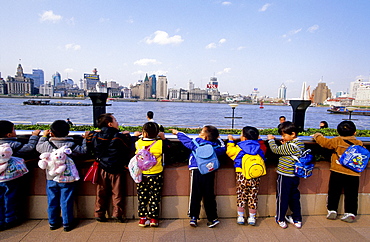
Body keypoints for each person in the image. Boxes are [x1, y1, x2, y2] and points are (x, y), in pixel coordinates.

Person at [36, 120, 87, 231]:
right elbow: (83, 151)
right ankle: (67, 223)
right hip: (67, 179)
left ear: (51, 133)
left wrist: (43, 136)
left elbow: (38, 147)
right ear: (68, 133)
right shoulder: (72, 145)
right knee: (66, 200)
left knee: (52, 200)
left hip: (51, 178)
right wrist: (84, 139)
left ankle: (53, 223)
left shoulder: (46, 145)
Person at [171, 126, 226, 228]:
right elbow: (223, 148)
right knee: (209, 195)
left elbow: (186, 140)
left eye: (201, 132)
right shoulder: (215, 146)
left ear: (204, 137)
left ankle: (193, 217)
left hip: (196, 170)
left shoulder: (196, 143)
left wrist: (177, 133)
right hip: (209, 171)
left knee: (195, 194)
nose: (199, 133)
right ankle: (212, 218)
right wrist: (219, 138)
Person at [313, 121, 363, 223]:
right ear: (355, 132)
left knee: (334, 192)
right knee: (352, 194)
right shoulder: (359, 143)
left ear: (338, 132)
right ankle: (350, 213)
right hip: (353, 173)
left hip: (337, 171)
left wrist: (317, 135)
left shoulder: (337, 140)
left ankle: (332, 210)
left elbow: (324, 142)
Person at [86, 113, 132, 223]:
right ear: (110, 124)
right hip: (117, 168)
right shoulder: (119, 137)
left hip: (101, 167)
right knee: (117, 193)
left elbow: (88, 146)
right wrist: (128, 136)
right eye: (115, 120)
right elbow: (127, 148)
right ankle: (118, 214)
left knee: (101, 192)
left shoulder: (95, 136)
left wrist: (90, 134)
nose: (117, 122)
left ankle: (99, 213)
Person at [0, 120, 40, 230]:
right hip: (10, 178)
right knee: (10, 197)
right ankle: (10, 219)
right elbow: (29, 148)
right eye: (14, 130)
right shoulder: (12, 144)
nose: (15, 132)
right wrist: (34, 137)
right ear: (9, 135)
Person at [267, 121, 304, 229]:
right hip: (295, 175)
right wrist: (286, 143)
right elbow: (289, 151)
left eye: (284, 135)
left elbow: (275, 150)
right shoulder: (300, 143)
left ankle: (280, 218)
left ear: (293, 134)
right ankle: (297, 219)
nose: (282, 137)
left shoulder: (291, 146)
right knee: (294, 197)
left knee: (282, 197)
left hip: (285, 175)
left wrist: (271, 140)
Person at [226, 126, 266, 226]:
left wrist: (230, 141)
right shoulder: (259, 147)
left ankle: (240, 216)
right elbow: (264, 150)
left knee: (241, 195)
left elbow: (229, 152)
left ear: (243, 138)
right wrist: (260, 140)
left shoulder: (239, 148)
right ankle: (252, 217)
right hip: (255, 174)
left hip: (242, 174)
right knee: (253, 195)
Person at [134, 122, 171, 227]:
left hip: (142, 174)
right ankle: (153, 219)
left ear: (144, 133)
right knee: (155, 196)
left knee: (142, 196)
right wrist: (163, 138)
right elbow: (169, 147)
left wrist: (136, 136)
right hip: (156, 173)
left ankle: (142, 218)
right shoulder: (160, 144)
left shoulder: (138, 143)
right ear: (157, 133)